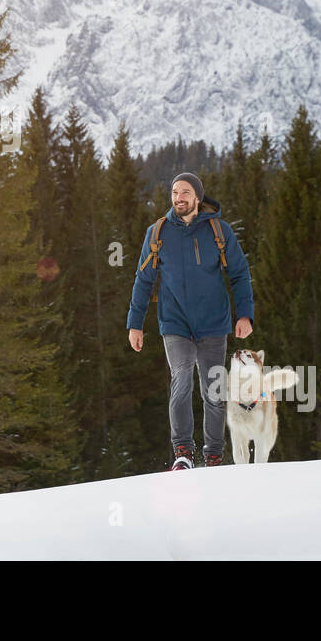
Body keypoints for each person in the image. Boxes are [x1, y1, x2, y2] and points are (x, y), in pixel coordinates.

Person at [126, 172, 255, 470]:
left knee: (213, 389)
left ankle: (213, 455)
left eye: (185, 192)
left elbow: (239, 274)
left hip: (213, 322)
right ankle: (182, 452)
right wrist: (135, 323)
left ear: (198, 198)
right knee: (181, 378)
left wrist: (245, 315)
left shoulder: (218, 231)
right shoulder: (157, 233)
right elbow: (143, 280)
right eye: (174, 192)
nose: (178, 198)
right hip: (175, 322)